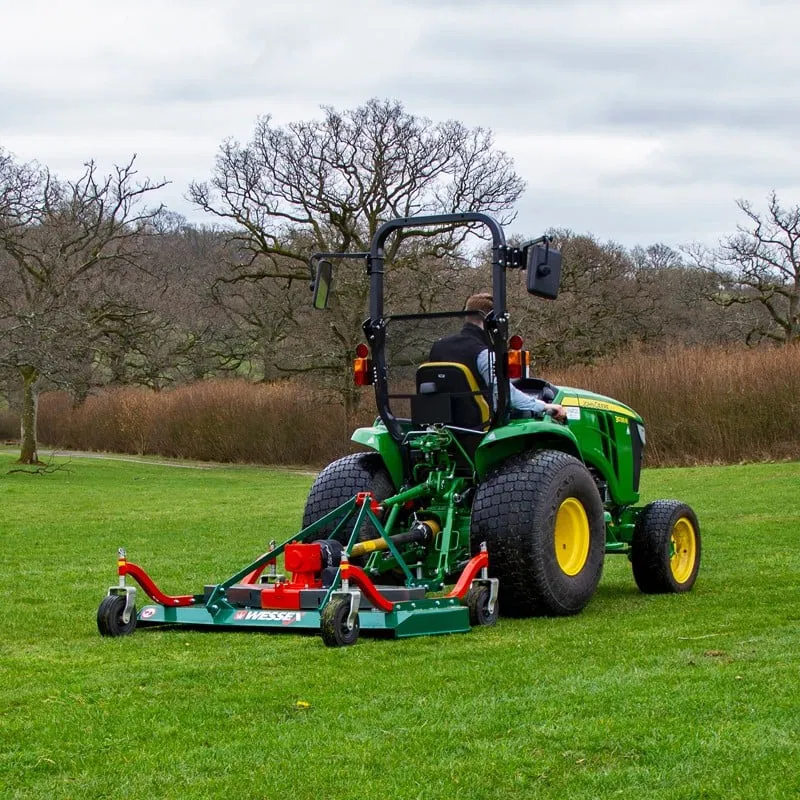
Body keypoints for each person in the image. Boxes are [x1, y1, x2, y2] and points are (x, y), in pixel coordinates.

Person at [428, 292, 567, 422]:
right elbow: (507, 395)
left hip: (444, 425)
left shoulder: (438, 347)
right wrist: (543, 406)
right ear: (492, 320)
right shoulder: (483, 354)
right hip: (478, 426)